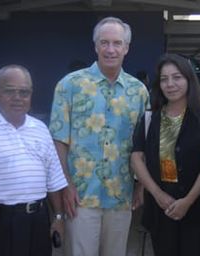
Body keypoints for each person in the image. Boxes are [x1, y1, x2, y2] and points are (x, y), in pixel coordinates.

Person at [49, 16, 149, 256]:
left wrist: (141, 187)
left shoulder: (139, 91)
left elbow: (142, 145)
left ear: (126, 47)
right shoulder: (69, 85)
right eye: (104, 42)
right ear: (95, 46)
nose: (111, 49)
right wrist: (66, 185)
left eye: (117, 43)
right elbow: (58, 140)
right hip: (81, 196)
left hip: (121, 196)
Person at [0, 64, 67, 256]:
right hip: (1, 222)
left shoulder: (40, 129)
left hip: (39, 220)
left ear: (31, 95)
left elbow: (54, 179)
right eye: (10, 91)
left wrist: (58, 217)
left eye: (24, 92)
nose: (18, 97)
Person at [131, 53, 200, 256]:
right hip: (161, 208)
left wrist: (187, 201)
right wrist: (158, 194)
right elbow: (136, 158)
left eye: (177, 77)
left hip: (196, 208)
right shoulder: (151, 118)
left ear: (189, 79)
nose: (170, 84)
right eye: (164, 79)